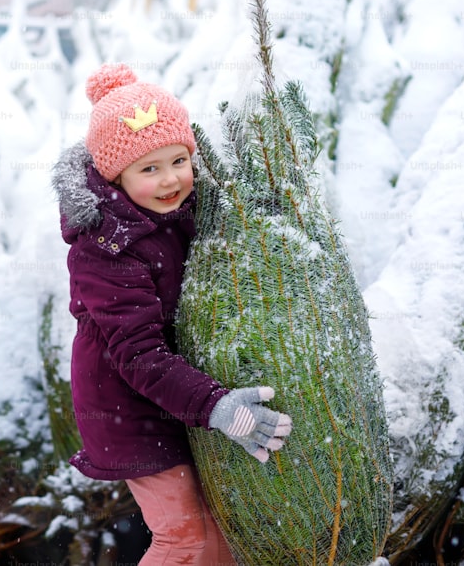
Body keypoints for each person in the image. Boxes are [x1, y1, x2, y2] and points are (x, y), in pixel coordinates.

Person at [52, 63, 293, 565]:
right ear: (114, 175)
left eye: (179, 160)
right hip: (126, 410)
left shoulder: (179, 210)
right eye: (149, 168)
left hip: (176, 399)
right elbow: (139, 356)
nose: (170, 180)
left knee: (223, 540)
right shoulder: (106, 250)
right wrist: (218, 407)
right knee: (183, 539)